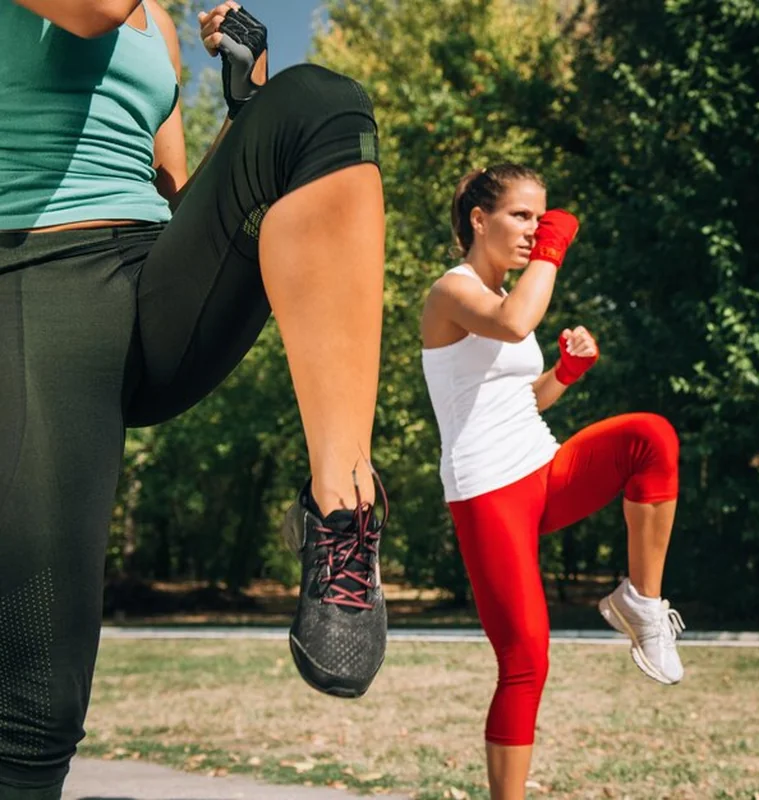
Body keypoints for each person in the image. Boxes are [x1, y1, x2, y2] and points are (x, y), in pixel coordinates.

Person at [0, 1, 388, 797]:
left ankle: (342, 512)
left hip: (150, 288)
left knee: (315, 103)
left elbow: (176, 196)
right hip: (38, 287)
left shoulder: (161, 29)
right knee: (37, 702)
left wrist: (247, 103)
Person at [420, 164, 686, 800]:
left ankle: (641, 602)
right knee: (526, 661)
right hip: (486, 490)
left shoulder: (511, 297)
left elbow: (518, 402)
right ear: (478, 220)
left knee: (651, 438)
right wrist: (555, 246)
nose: (534, 231)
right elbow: (513, 323)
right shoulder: (450, 294)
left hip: (541, 465)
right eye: (521, 216)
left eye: (542, 219)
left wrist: (565, 372)